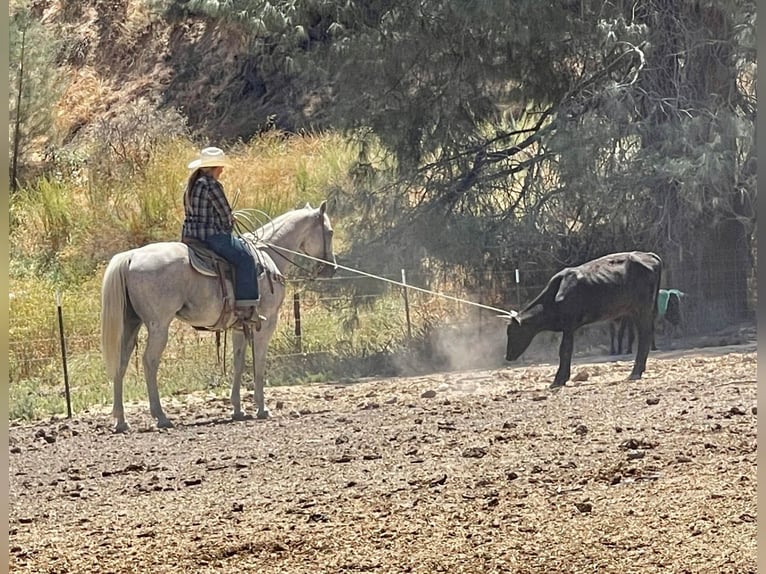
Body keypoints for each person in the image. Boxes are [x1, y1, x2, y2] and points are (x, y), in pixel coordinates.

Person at [181, 146, 265, 326]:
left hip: (190, 235)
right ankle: (246, 309)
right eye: (220, 167)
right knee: (246, 259)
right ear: (214, 168)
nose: (222, 170)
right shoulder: (212, 185)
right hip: (211, 236)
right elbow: (225, 213)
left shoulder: (192, 184)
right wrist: (230, 222)